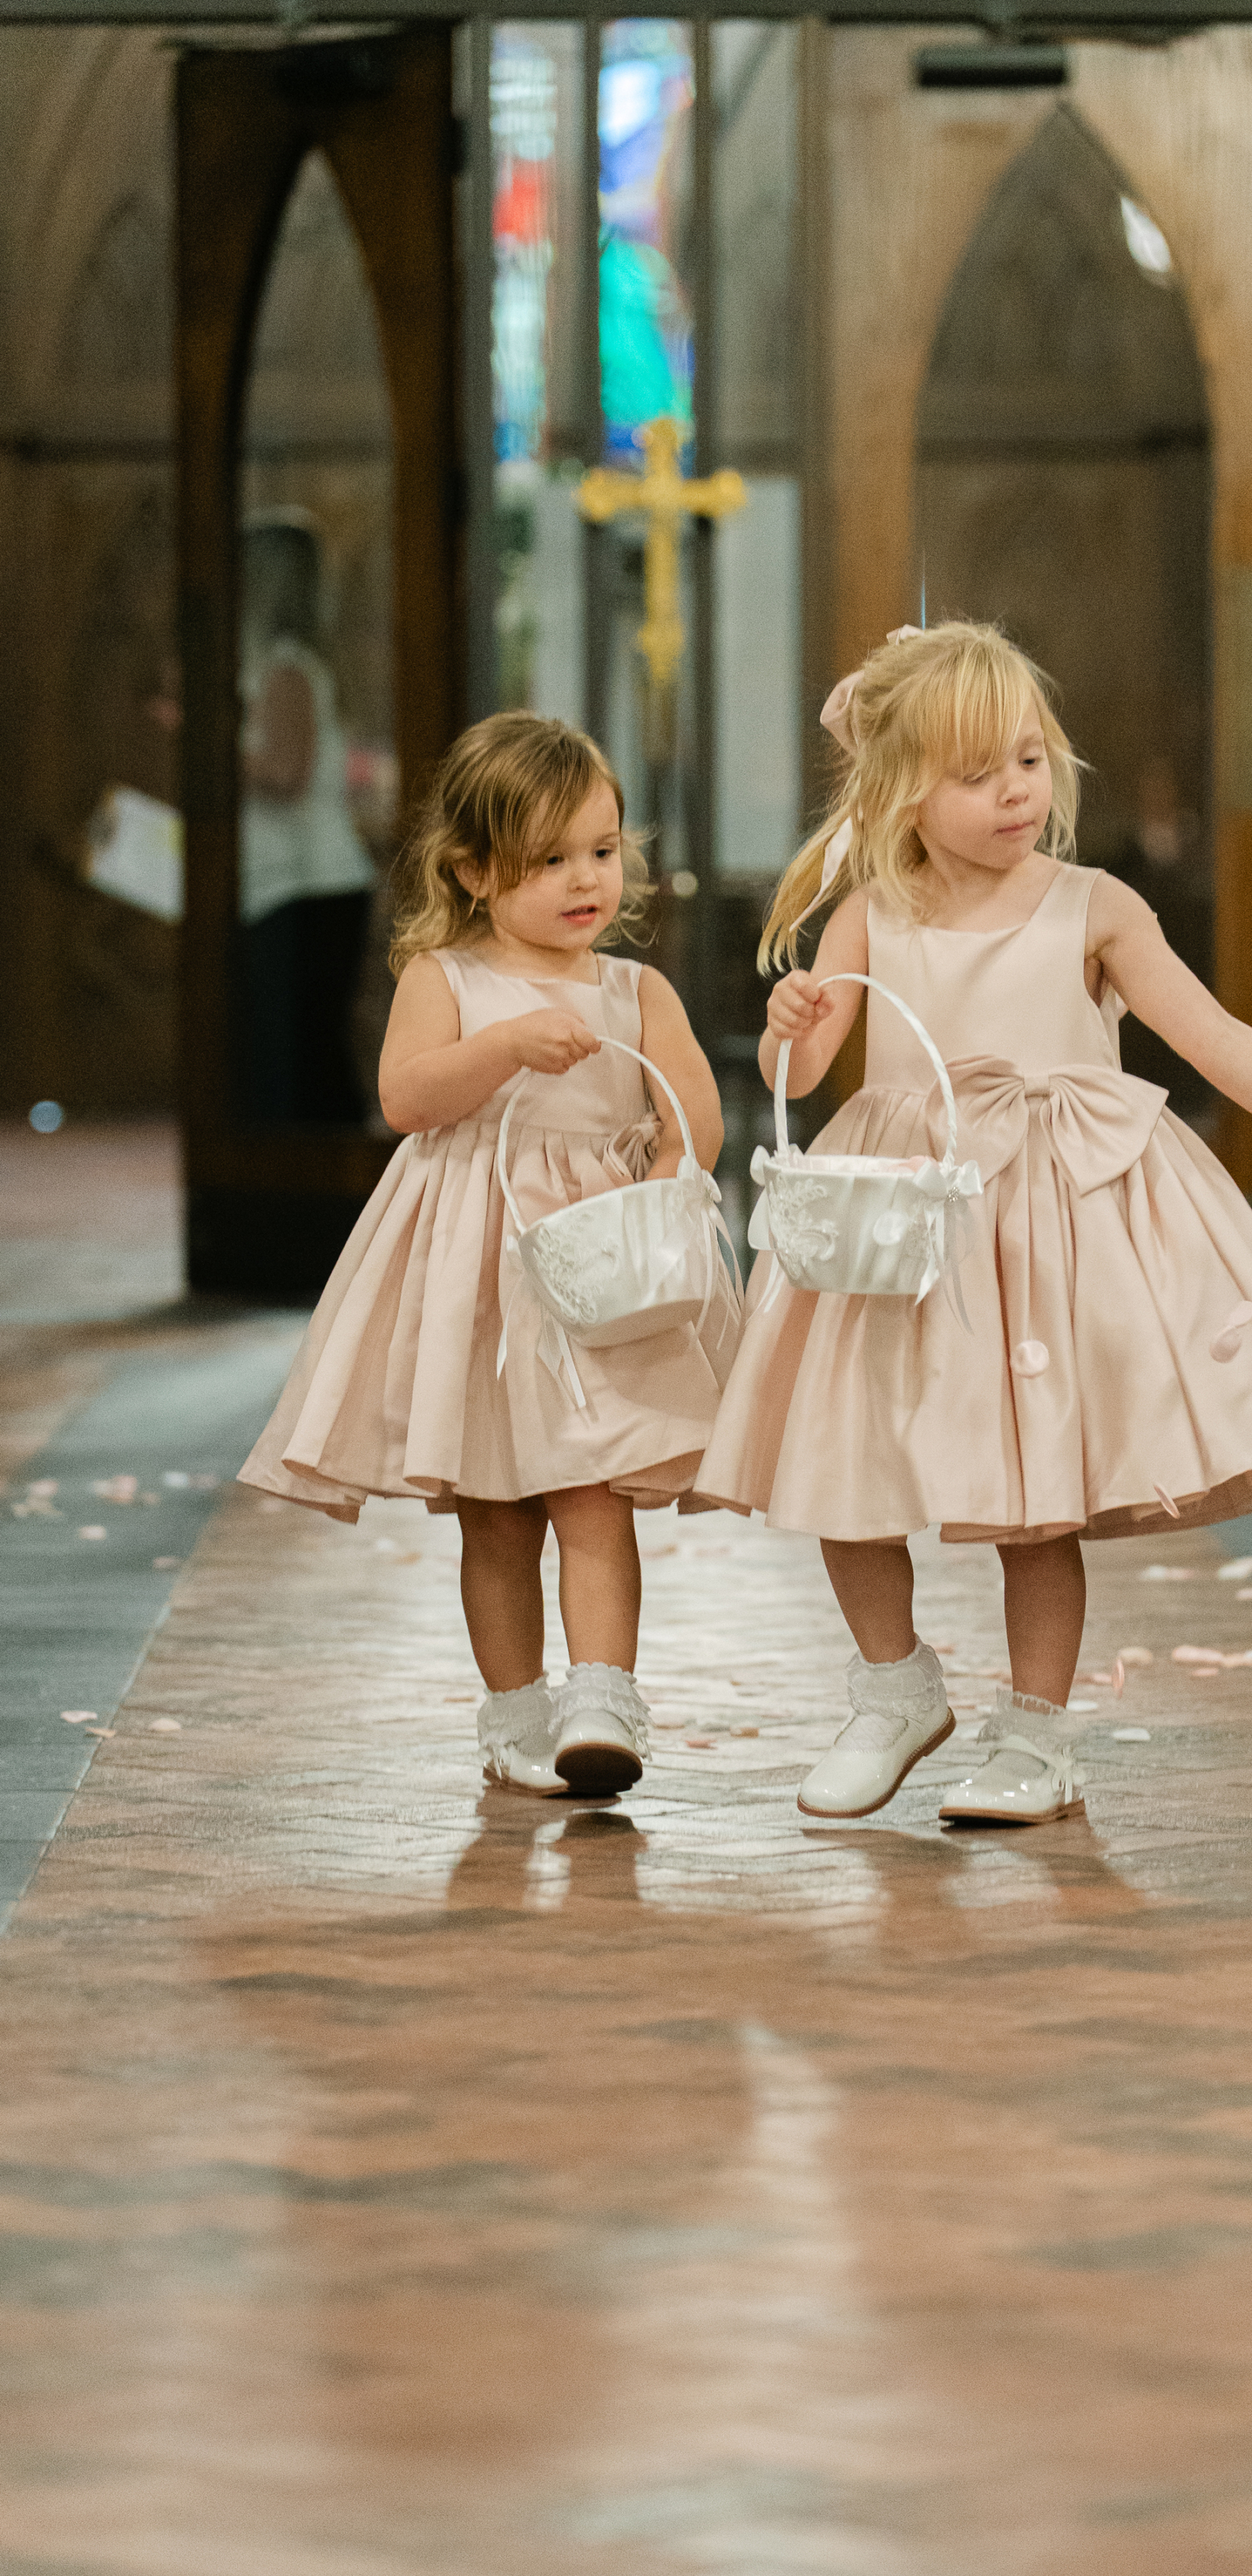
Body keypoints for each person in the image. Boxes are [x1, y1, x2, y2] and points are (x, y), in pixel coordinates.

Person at [694, 620, 1252, 1830]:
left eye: (1030, 760)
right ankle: (894, 1689)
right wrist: (792, 1013)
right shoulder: (871, 914)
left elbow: (1215, 1037)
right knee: (845, 1465)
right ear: (900, 790)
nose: (1015, 791)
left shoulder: (1093, 907)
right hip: (902, 1227)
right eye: (976, 772)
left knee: (1031, 1499)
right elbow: (817, 1059)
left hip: (1044, 1228)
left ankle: (1037, 1739)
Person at [239, 712, 727, 1800]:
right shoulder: (447, 978)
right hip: (479, 1271)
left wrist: (665, 1158)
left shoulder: (635, 992)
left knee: (594, 1493)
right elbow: (406, 1098)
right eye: (547, 860)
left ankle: (603, 1699)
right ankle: (514, 1714)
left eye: (600, 852)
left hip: (596, 1274)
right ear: (470, 869)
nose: (582, 881)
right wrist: (502, 1045)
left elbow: (693, 1110)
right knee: (498, 1513)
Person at [236, 510, 378, 1124]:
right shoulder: (287, 664)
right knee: (294, 1058)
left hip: (306, 887)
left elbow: (285, 776)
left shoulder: (288, 666)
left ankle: (323, 1205)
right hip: (302, 886)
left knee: (303, 1066)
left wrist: (211, 744)